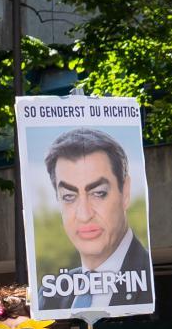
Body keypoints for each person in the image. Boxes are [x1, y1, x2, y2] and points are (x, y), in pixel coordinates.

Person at [32, 129, 154, 312]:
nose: (84, 214)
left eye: (99, 193)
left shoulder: (149, 280)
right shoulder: (51, 296)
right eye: (68, 196)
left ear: (125, 192)